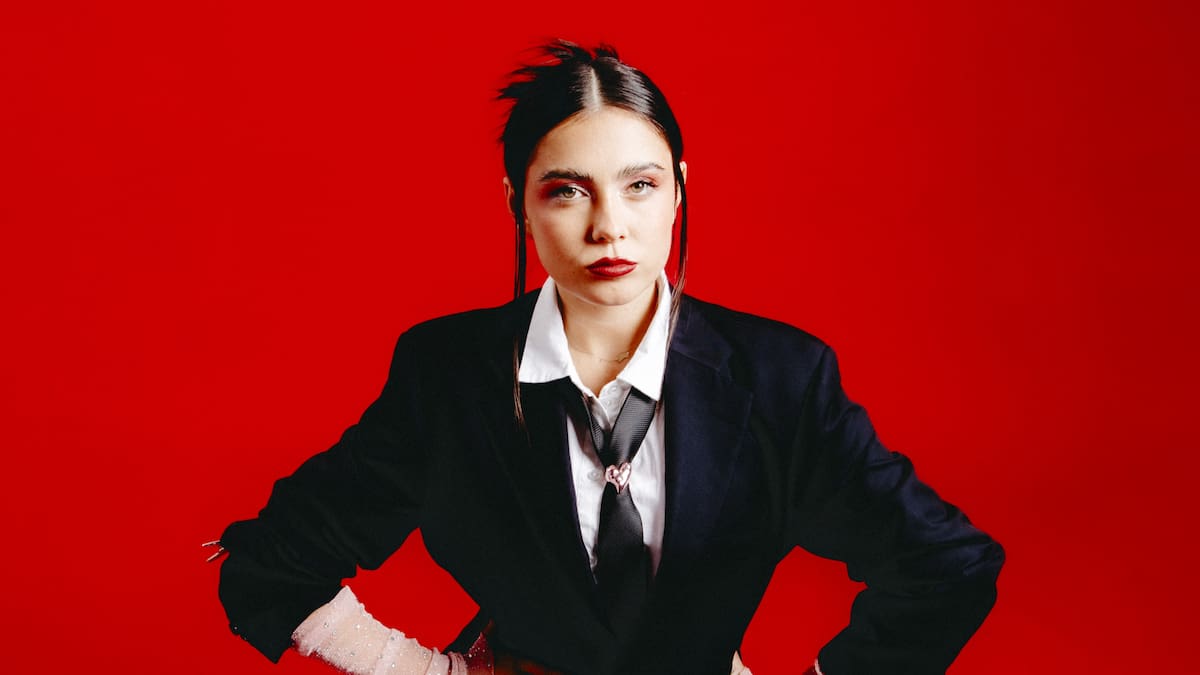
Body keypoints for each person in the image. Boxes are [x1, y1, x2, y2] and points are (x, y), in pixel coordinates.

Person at [211, 41, 1005, 675]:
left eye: (640, 185)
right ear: (516, 202)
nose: (609, 227)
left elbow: (947, 566)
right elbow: (271, 562)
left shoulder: (780, 378)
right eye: (566, 190)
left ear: (680, 190)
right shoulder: (447, 374)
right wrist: (421, 668)